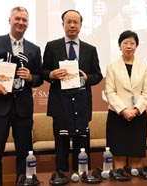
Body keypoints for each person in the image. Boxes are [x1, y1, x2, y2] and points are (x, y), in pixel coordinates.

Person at [0, 6, 43, 186]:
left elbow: (39, 78)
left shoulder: (34, 49)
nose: (21, 22)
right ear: (10, 20)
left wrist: (30, 77)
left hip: (23, 109)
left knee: (24, 152)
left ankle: (23, 183)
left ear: (28, 24)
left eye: (24, 20)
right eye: (17, 19)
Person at [41, 9, 103, 172]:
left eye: (76, 22)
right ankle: (61, 176)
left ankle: (81, 176)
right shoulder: (52, 46)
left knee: (81, 147)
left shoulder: (90, 49)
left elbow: (98, 75)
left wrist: (87, 77)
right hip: (60, 105)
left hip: (82, 106)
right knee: (61, 147)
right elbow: (43, 71)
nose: (72, 25)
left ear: (81, 25)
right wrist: (52, 74)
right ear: (63, 24)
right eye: (69, 22)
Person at [105, 30, 147, 169]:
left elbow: (146, 92)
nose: (129, 46)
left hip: (138, 116)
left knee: (136, 157)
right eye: (125, 43)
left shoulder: (144, 67)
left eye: (132, 43)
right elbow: (110, 92)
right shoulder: (112, 67)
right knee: (118, 156)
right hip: (117, 116)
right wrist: (124, 110)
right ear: (120, 46)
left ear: (136, 46)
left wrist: (136, 110)